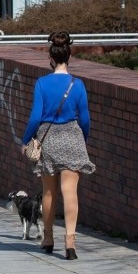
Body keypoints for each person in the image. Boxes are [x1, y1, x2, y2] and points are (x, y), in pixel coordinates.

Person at [21, 31, 94, 261]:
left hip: (48, 139)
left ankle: (48, 238)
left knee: (49, 192)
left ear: (51, 59)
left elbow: (35, 117)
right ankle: (70, 242)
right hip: (72, 136)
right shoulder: (78, 84)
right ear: (69, 57)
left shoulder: (42, 83)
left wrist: (25, 140)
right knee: (70, 191)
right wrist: (83, 138)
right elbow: (85, 118)